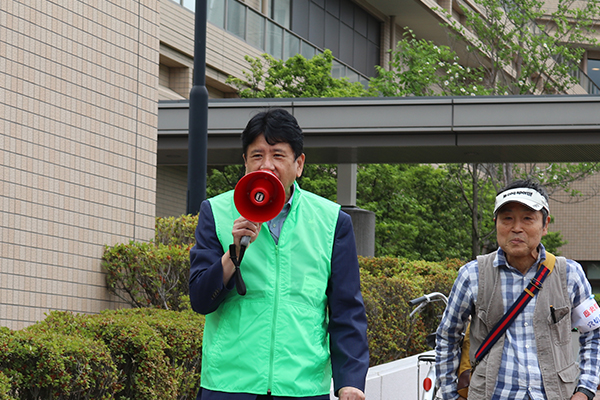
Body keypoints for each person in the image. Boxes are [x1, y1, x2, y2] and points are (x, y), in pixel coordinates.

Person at [189, 108, 369, 400]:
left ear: (299, 164)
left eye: (278, 155)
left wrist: (350, 381)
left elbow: (346, 310)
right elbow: (200, 299)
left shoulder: (332, 221)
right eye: (257, 155)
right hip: (229, 385)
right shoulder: (216, 211)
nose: (267, 165)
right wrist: (232, 254)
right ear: (245, 161)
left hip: (302, 387)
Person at [435, 179, 600, 400]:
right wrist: (448, 394)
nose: (516, 228)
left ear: (545, 224)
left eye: (528, 218)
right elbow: (447, 336)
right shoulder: (473, 275)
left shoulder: (569, 274)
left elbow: (594, 334)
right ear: (496, 223)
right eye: (507, 219)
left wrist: (585, 390)